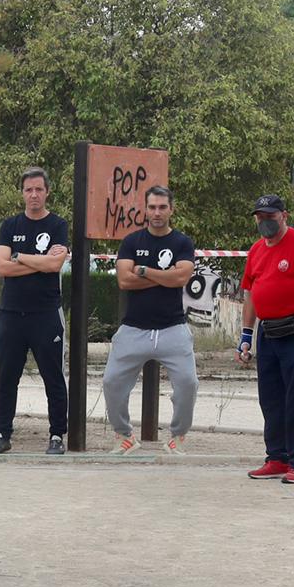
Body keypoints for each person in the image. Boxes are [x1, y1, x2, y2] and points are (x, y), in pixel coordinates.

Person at [236, 194, 294, 483]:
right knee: (271, 398)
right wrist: (246, 335)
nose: (265, 221)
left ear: (283, 216)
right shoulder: (255, 251)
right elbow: (250, 294)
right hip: (268, 333)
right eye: (260, 217)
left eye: (270, 216)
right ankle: (276, 457)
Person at [104, 186, 198, 455]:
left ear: (171, 209)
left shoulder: (182, 243)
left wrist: (144, 271)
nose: (157, 213)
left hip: (173, 328)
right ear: (145, 209)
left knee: (188, 383)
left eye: (162, 207)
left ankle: (177, 436)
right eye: (152, 207)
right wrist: (163, 277)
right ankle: (124, 435)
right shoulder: (132, 242)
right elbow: (124, 280)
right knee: (111, 382)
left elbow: (181, 279)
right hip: (134, 327)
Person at [0, 167, 70, 456]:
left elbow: (54, 265)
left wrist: (19, 256)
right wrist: (37, 261)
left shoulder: (58, 225)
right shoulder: (10, 226)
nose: (34, 194)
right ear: (22, 193)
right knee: (7, 377)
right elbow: (1, 268)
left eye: (39, 189)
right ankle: (2, 433)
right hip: (11, 313)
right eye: (28, 190)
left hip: (46, 313)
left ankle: (57, 435)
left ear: (47, 192)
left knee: (53, 376)